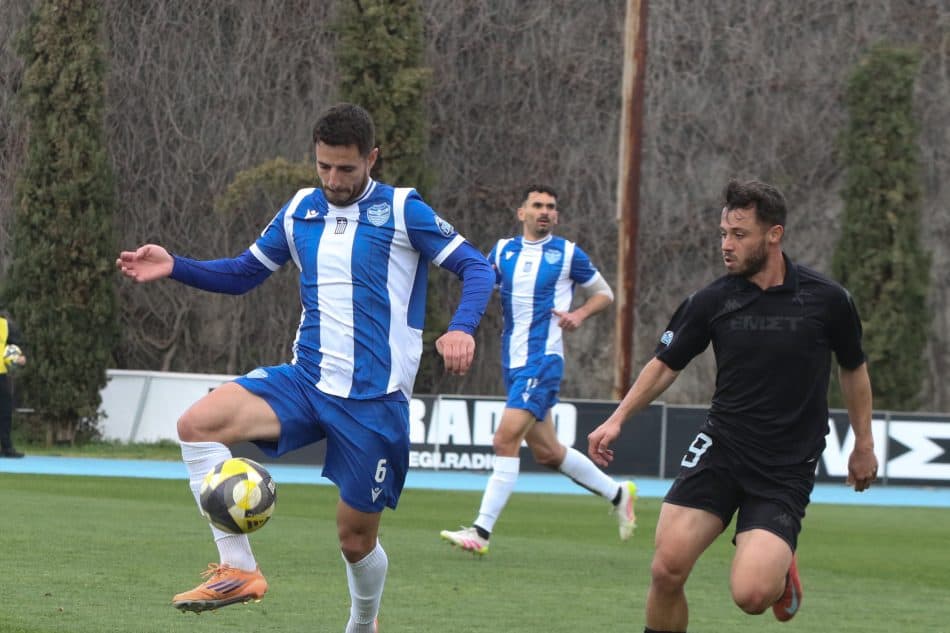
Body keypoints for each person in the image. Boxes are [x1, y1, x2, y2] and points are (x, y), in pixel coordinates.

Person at [116, 103, 494, 632]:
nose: (334, 180)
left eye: (346, 168)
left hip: (374, 403)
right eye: (324, 167)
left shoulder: (404, 210)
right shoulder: (299, 211)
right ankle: (239, 569)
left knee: (355, 540)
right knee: (195, 425)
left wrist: (461, 327)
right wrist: (176, 265)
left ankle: (363, 625)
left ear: (372, 159)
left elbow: (477, 266)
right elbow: (244, 273)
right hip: (305, 382)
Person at [587, 179, 878, 632]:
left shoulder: (827, 301)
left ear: (774, 235)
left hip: (784, 467)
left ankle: (779, 572)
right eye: (723, 232)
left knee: (750, 597)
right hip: (720, 451)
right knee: (666, 570)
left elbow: (854, 369)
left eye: (739, 234)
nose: (726, 244)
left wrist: (864, 444)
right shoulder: (711, 301)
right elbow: (665, 365)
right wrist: (617, 418)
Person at [440, 184, 637, 556]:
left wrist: (579, 314)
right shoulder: (502, 250)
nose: (545, 211)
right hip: (512, 359)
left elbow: (604, 293)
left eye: (550, 206)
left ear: (556, 216)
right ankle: (617, 493)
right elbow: (481, 281)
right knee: (547, 452)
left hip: (543, 360)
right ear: (522, 213)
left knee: (504, 440)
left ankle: (481, 532)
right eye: (537, 205)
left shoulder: (567, 254)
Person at [0, 309, 27, 458]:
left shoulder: (5, 325)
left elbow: (16, 345)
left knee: (4, 412)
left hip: (1, 375)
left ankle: (6, 447)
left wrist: (20, 357)